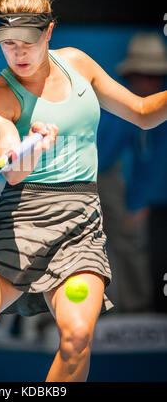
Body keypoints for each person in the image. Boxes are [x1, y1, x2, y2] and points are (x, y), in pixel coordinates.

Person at [0, 0, 167, 382]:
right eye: (8, 43)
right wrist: (32, 146)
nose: (18, 53)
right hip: (18, 223)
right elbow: (15, 170)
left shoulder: (79, 64)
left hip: (81, 225)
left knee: (76, 338)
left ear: (49, 31)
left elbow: (141, 111)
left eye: (28, 42)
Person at [96, 33, 167, 313]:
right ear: (131, 73)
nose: (152, 81)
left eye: (158, 75)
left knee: (131, 238)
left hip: (114, 178)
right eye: (144, 73)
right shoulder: (109, 99)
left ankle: (137, 311)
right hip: (78, 176)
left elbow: (150, 160)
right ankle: (99, 312)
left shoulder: (160, 107)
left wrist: (138, 203)